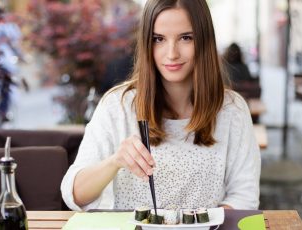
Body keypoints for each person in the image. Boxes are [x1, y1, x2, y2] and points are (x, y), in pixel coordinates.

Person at [61, 0, 261, 211]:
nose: (172, 53)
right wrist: (114, 162)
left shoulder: (232, 110)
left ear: (204, 40)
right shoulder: (117, 106)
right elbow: (74, 195)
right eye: (158, 39)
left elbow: (244, 198)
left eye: (186, 38)